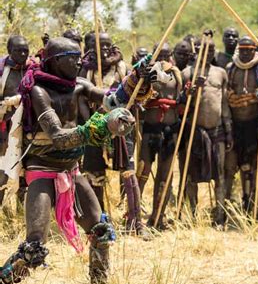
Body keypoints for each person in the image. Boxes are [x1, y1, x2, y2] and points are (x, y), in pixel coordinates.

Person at [0, 37, 157, 284]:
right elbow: (59, 136)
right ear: (55, 62)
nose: (78, 62)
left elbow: (112, 101)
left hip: (71, 170)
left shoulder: (79, 84)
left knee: (101, 231)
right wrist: (100, 127)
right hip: (42, 170)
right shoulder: (39, 91)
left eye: (79, 57)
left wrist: (136, 80)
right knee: (34, 248)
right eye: (72, 58)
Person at [79, 33, 147, 236]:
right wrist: (90, 122)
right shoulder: (85, 71)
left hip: (121, 128)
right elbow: (81, 98)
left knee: (128, 172)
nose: (104, 50)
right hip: (95, 128)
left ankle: (136, 222)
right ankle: (99, 220)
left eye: (108, 45)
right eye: (100, 45)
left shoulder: (123, 68)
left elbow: (135, 93)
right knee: (94, 174)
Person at [181, 36, 233, 227]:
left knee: (219, 175)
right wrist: (193, 92)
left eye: (212, 49)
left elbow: (225, 104)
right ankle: (192, 215)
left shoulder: (220, 72)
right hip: (195, 132)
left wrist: (228, 130)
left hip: (217, 130)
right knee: (191, 175)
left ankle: (219, 216)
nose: (209, 52)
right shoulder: (188, 73)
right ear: (198, 50)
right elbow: (183, 105)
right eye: (205, 49)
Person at [137, 55, 182, 230]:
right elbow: (137, 96)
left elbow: (182, 101)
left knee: (165, 176)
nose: (163, 58)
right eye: (159, 54)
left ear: (171, 56)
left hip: (171, 130)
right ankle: (133, 217)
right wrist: (143, 78)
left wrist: (190, 94)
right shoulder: (146, 73)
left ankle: (158, 218)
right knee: (142, 172)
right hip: (150, 129)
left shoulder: (176, 75)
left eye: (166, 54)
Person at [225, 36, 258, 216]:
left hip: (255, 123)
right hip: (236, 124)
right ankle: (242, 197)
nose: (245, 53)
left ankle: (255, 201)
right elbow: (228, 96)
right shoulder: (230, 68)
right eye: (242, 50)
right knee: (240, 163)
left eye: (248, 50)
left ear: (254, 50)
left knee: (255, 164)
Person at [0, 36, 37, 206]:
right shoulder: (2, 70)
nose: (23, 54)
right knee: (2, 167)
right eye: (18, 50)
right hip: (5, 128)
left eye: (26, 50)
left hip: (30, 126)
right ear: (9, 51)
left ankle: (24, 210)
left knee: (27, 167)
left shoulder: (35, 69)